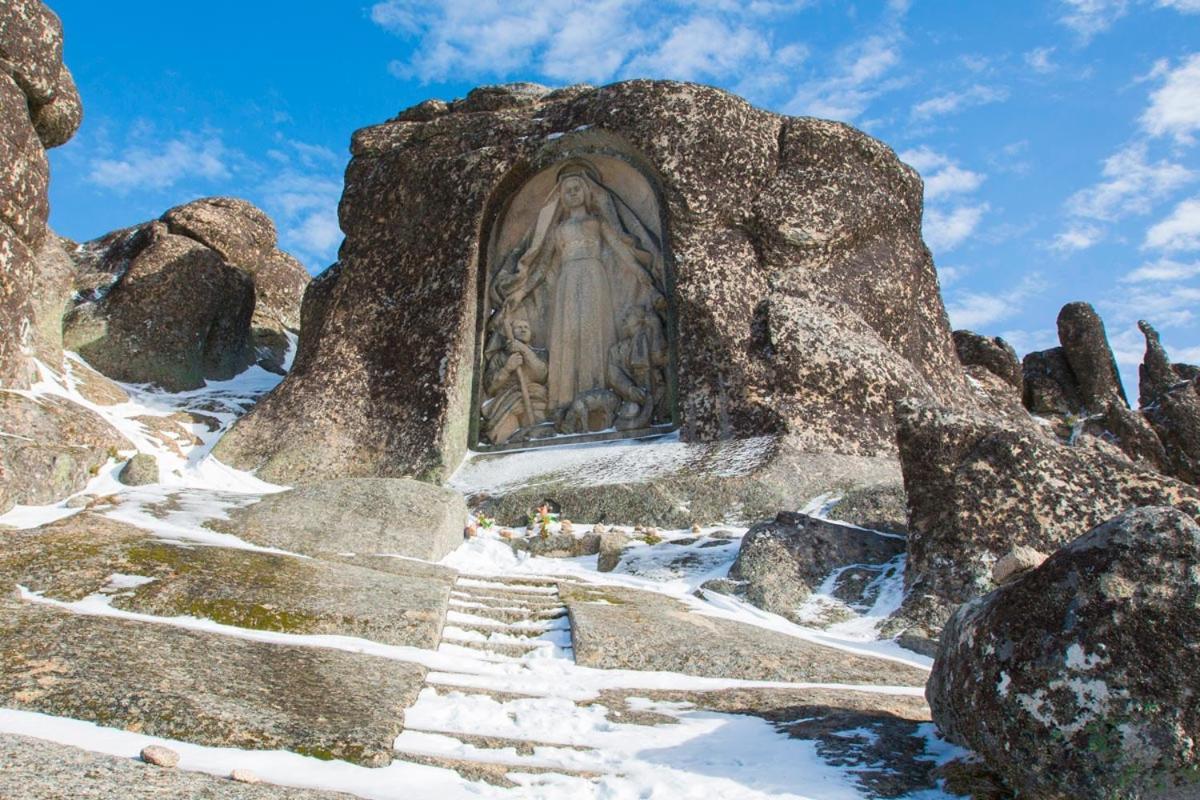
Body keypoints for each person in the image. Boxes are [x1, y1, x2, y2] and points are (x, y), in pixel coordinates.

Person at [497, 160, 664, 419]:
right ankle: (565, 402)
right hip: (567, 282)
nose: (572, 193)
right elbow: (541, 268)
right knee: (568, 335)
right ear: (561, 197)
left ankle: (598, 393)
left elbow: (623, 250)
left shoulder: (597, 223)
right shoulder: (559, 230)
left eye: (576, 187)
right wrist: (521, 291)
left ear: (587, 191)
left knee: (594, 334)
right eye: (567, 190)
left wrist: (644, 278)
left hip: (594, 281)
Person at [480, 318, 547, 445]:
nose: (523, 329)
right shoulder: (499, 357)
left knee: (540, 436)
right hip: (507, 403)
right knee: (500, 437)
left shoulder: (539, 354)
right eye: (519, 327)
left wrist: (524, 350)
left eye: (526, 327)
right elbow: (490, 388)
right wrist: (507, 369)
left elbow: (542, 376)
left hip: (535, 401)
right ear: (510, 332)